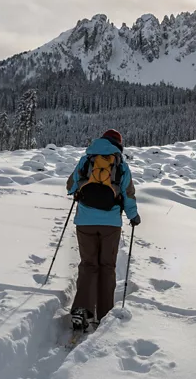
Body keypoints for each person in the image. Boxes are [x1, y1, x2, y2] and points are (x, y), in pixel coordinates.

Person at [66, 129, 141, 331]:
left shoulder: (86, 159)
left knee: (88, 264)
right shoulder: (121, 165)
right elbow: (128, 195)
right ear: (119, 145)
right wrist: (133, 216)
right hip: (110, 224)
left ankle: (81, 310)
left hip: (85, 222)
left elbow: (70, 186)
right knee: (107, 266)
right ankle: (105, 313)